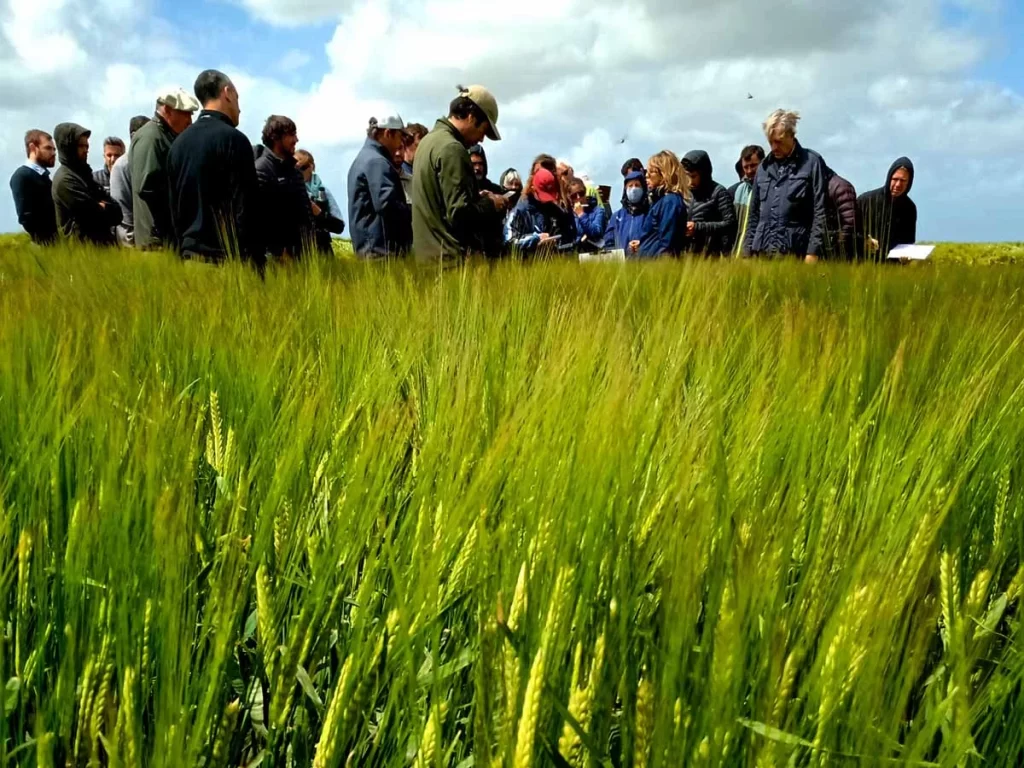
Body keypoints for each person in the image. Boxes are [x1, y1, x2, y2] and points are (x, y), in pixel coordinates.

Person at [168, 70, 259, 265]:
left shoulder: (177, 145)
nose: (239, 108)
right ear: (227, 92)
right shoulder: (235, 141)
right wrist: (255, 265)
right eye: (237, 97)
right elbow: (247, 208)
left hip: (189, 262)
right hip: (228, 264)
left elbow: (173, 210)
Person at [411, 85, 508, 264]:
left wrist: (475, 198)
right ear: (471, 117)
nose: (481, 139)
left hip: (428, 260)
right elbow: (459, 214)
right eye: (483, 131)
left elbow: (441, 203)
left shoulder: (428, 142)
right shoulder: (453, 149)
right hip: (449, 263)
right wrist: (491, 203)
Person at [744, 110, 826, 263]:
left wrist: (813, 252)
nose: (773, 147)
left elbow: (820, 212)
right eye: (770, 142)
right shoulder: (763, 168)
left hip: (795, 254)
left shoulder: (812, 163)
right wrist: (746, 252)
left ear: (791, 135)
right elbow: (753, 215)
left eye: (778, 142)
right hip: (762, 254)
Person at [132, 88, 201, 250]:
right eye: (185, 114)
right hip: (156, 243)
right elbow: (148, 187)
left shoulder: (164, 136)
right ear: (168, 111)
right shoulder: (151, 137)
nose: (190, 121)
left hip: (164, 239)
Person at [254, 115, 320, 261]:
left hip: (301, 258)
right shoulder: (261, 169)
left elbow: (304, 214)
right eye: (291, 134)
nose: (296, 140)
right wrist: (278, 252)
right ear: (276, 137)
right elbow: (261, 219)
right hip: (276, 261)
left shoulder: (294, 171)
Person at [348, 115, 413, 259]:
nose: (400, 143)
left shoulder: (365, 157)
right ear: (388, 133)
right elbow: (388, 205)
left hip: (371, 250)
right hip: (381, 253)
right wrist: (414, 212)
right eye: (400, 136)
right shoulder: (377, 161)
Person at [51, 123, 122, 245]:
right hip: (81, 252)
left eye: (87, 146)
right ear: (68, 147)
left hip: (101, 249)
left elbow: (117, 213)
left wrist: (103, 207)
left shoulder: (84, 175)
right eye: (80, 146)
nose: (85, 150)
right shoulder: (65, 180)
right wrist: (101, 207)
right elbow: (92, 216)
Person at [856, 158, 917, 260]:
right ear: (889, 178)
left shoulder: (910, 208)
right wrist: (864, 241)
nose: (898, 185)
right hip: (863, 265)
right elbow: (850, 233)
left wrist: (907, 257)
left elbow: (909, 241)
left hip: (893, 269)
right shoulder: (866, 200)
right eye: (895, 179)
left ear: (909, 183)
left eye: (903, 180)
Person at [505, 168, 576, 255]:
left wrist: (555, 243)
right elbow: (509, 242)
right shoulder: (519, 212)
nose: (545, 200)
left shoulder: (555, 211)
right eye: (542, 194)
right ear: (532, 188)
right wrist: (536, 239)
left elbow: (566, 237)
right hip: (525, 265)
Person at [681, 150, 737, 256]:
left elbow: (730, 224)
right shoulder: (684, 193)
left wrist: (698, 227)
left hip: (711, 255)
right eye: (686, 176)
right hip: (686, 255)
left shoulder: (719, 193)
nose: (690, 181)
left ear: (703, 174)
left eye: (693, 176)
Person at [10, 129, 58, 244]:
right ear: (33, 148)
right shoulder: (22, 176)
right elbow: (26, 217)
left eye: (54, 149)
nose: (53, 153)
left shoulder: (43, 176)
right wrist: (47, 242)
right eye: (48, 148)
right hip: (45, 246)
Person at [109, 116, 150, 246]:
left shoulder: (151, 158)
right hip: (136, 244)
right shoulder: (123, 165)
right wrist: (130, 246)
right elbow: (124, 214)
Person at [638, 150, 688, 257]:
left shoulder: (670, 202)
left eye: (652, 172)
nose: (646, 175)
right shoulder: (660, 201)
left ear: (665, 174)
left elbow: (667, 244)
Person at [296, 149, 345, 255]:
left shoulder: (323, 191)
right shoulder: (289, 189)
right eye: (295, 168)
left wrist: (319, 213)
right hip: (299, 251)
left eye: (302, 168)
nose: (299, 172)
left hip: (322, 249)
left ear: (311, 167)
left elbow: (339, 226)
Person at [728, 145, 764, 256]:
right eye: (745, 167)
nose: (749, 171)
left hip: (758, 256)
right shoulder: (737, 191)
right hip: (736, 254)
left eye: (753, 166)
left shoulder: (770, 191)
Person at [605, 170, 650, 256]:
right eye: (630, 186)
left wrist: (642, 245)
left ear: (643, 188)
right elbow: (608, 243)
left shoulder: (650, 213)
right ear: (625, 189)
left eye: (637, 185)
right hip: (622, 265)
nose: (633, 189)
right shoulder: (617, 217)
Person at [822, 165, 857, 261]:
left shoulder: (841, 187)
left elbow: (849, 222)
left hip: (836, 249)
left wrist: (837, 247)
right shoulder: (818, 185)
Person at [568, 176, 607, 249]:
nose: (578, 197)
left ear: (585, 192)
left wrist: (581, 215)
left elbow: (596, 232)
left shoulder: (598, 210)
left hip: (596, 251)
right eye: (574, 196)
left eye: (581, 193)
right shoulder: (570, 215)